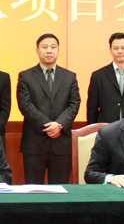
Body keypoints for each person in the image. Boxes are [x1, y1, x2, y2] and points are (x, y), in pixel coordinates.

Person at [17, 33, 81, 184]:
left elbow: (74, 103)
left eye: (53, 47)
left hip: (62, 144)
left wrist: (59, 125)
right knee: (34, 190)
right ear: (37, 51)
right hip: (34, 144)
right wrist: (48, 126)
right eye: (44, 47)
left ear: (58, 50)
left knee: (60, 190)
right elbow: (25, 105)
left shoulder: (69, 76)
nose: (49, 51)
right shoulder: (25, 76)